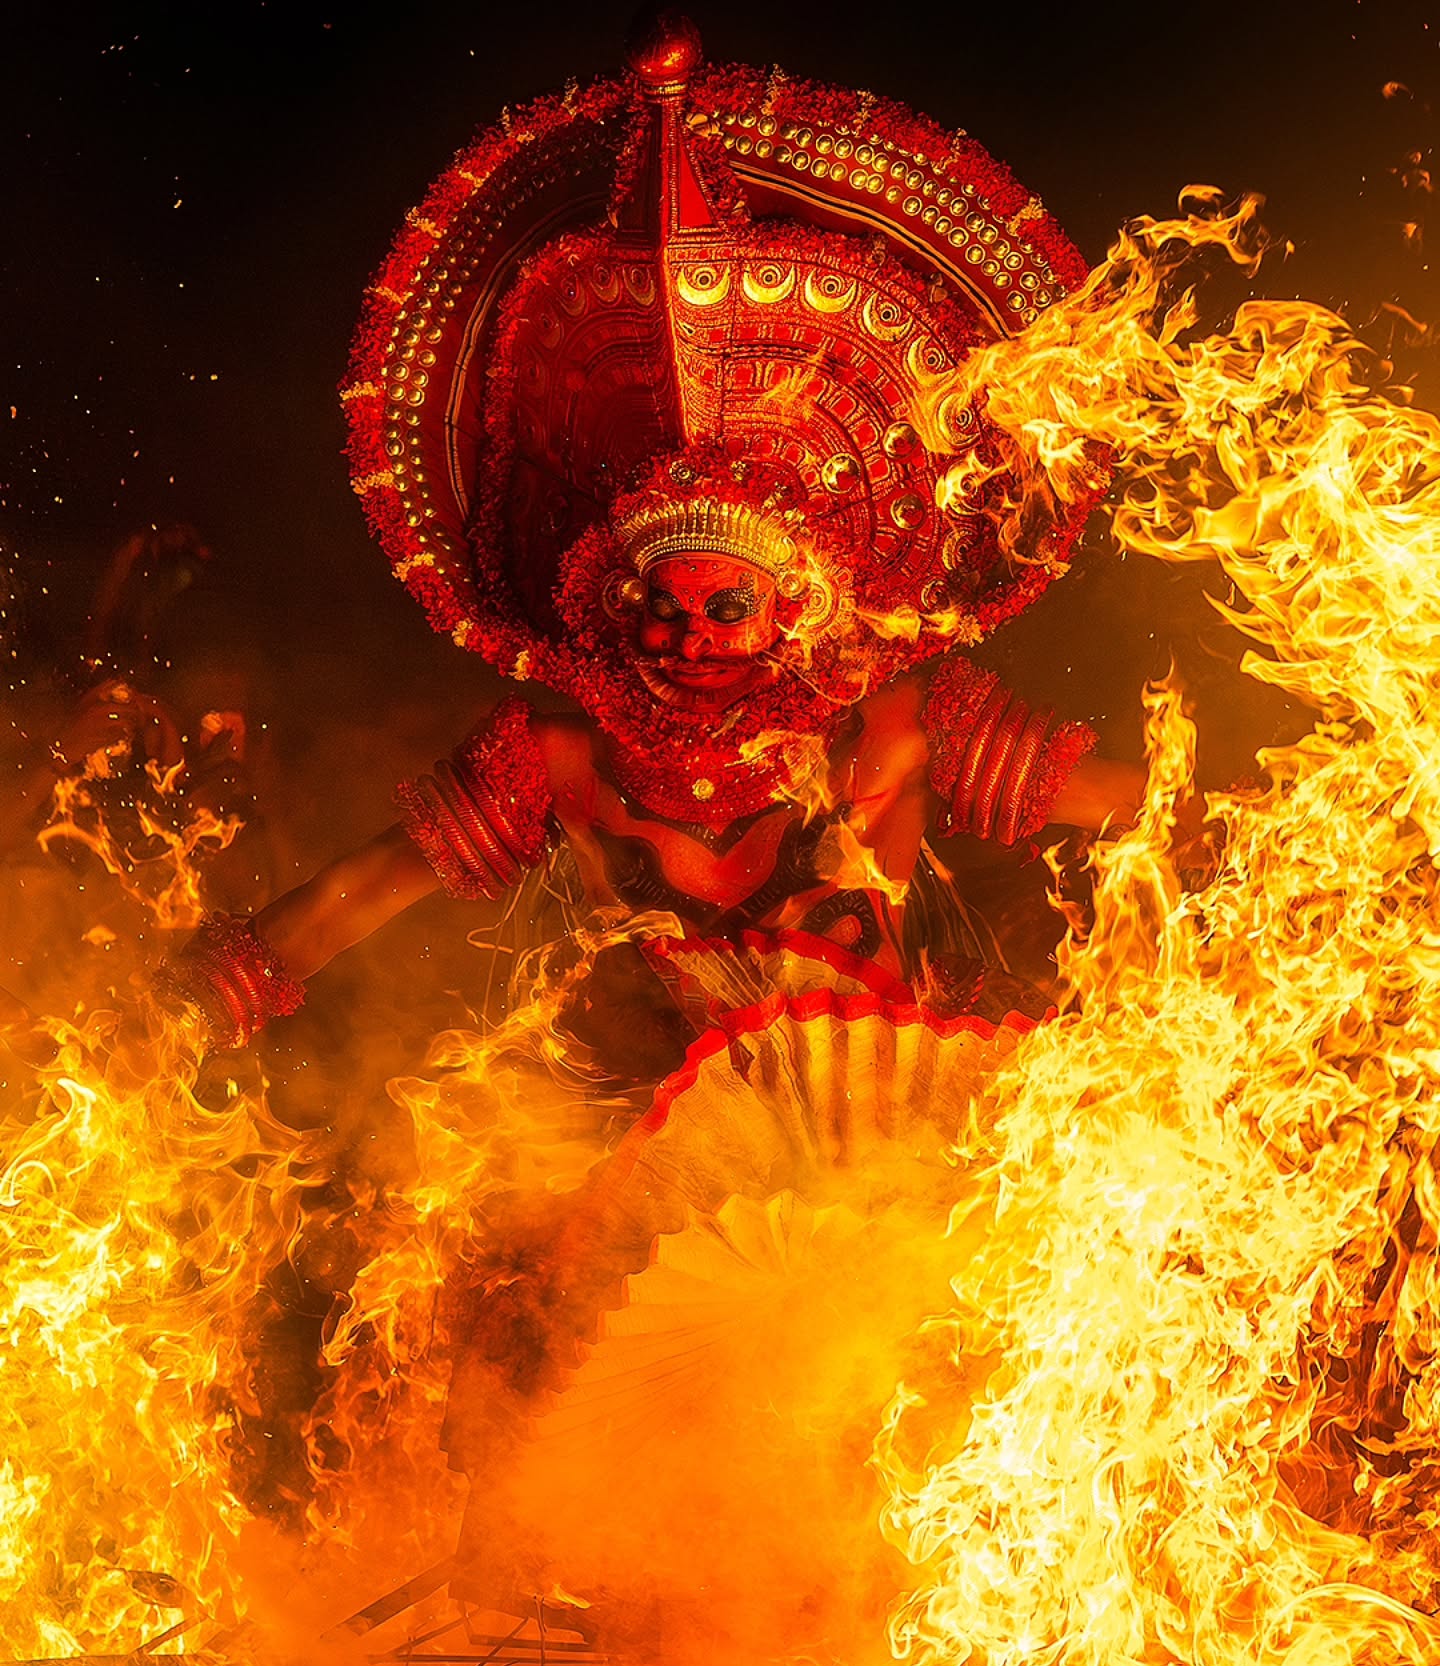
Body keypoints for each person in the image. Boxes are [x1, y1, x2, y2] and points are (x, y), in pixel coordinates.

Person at [165, 14, 1141, 1060]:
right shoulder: (558, 760)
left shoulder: (898, 722)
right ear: (602, 594)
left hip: (907, 1167)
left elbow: (1146, 815)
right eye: (657, 606)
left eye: (725, 607)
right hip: (648, 1158)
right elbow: (353, 898)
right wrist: (188, 1010)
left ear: (796, 604)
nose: (685, 639)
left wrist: (1294, 875)